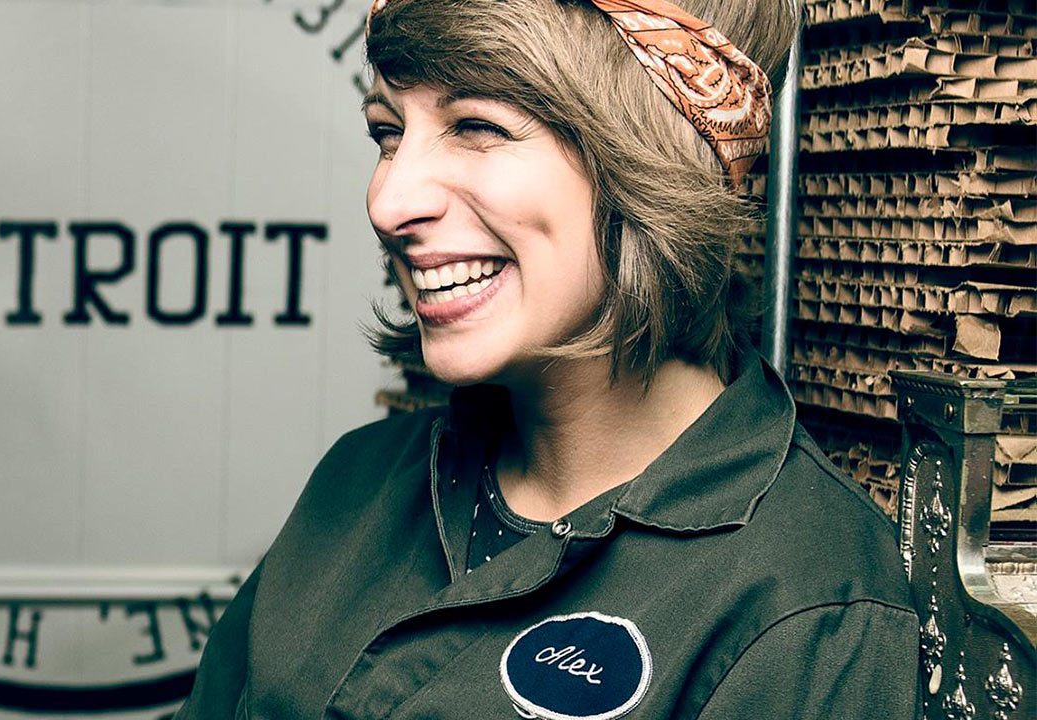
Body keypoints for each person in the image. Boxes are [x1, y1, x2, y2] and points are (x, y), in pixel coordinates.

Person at [176, 0, 920, 718]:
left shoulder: (802, 599)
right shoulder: (357, 482)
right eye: (387, 132)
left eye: (477, 125)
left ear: (654, 161)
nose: (388, 199)